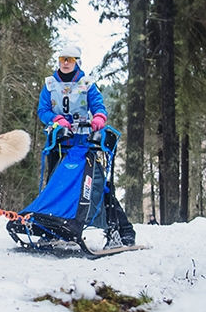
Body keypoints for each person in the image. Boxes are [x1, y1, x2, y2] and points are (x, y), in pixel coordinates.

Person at [36, 45, 136, 247]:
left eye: (70, 60)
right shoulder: (49, 85)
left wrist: (99, 117)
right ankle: (50, 229)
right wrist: (56, 120)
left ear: (77, 62)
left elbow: (98, 105)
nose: (65, 63)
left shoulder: (87, 83)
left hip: (83, 143)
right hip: (59, 143)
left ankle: (124, 229)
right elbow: (43, 110)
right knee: (55, 186)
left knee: (97, 185)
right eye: (63, 59)